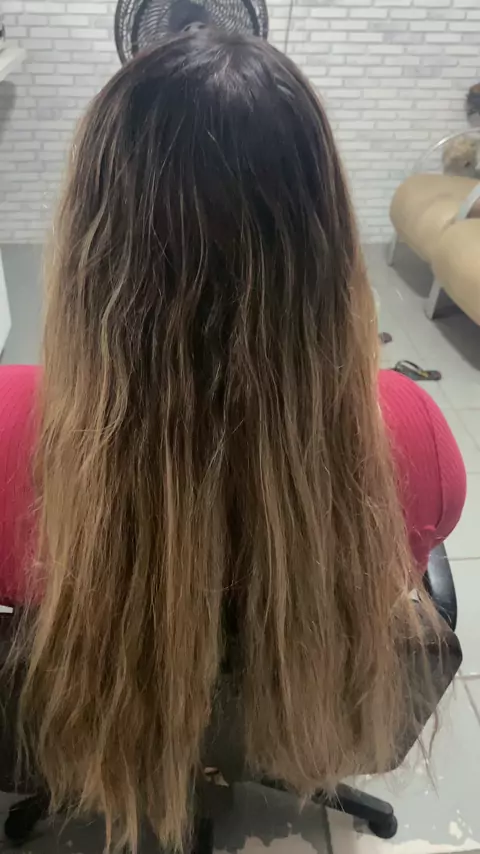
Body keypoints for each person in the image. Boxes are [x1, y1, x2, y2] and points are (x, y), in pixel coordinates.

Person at [0, 30, 465, 854]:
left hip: (90, 723)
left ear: (90, 247)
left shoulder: (9, 421)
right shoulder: (413, 433)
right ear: (325, 244)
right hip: (286, 719)